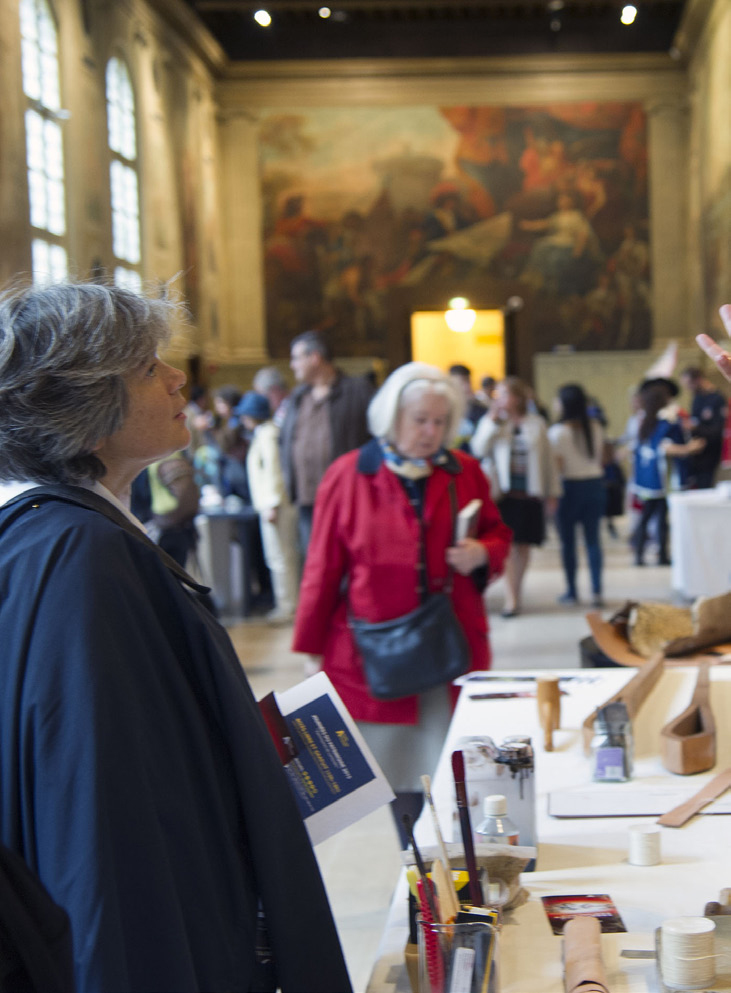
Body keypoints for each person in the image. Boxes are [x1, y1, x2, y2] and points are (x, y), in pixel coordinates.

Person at [0, 282, 351, 993]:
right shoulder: (78, 555)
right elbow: (96, 831)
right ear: (84, 407)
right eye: (146, 366)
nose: (176, 377)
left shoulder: (71, 536)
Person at [291, 362, 512, 844]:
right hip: (377, 651)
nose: (430, 432)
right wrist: (310, 650)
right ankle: (419, 877)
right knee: (399, 771)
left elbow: (497, 532)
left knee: (452, 761)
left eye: (439, 422)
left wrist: (482, 553)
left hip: (449, 643)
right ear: (392, 416)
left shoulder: (465, 471)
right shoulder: (347, 476)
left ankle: (457, 869)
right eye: (419, 420)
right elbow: (322, 570)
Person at [470, 377, 560, 617]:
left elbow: (547, 461)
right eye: (497, 395)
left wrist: (552, 493)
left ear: (518, 398)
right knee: (508, 546)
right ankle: (512, 599)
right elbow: (478, 449)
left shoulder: (537, 423)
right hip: (503, 494)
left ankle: (517, 591)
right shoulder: (493, 423)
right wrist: (491, 421)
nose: (500, 399)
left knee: (524, 545)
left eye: (505, 395)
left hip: (529, 492)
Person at [280, 329, 374, 557]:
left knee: (350, 559)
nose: (293, 365)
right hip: (307, 499)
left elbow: (377, 437)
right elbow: (285, 439)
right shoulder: (297, 397)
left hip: (348, 497)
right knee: (314, 559)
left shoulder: (358, 391)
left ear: (315, 358)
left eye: (296, 358)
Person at [238, 390, 299, 624]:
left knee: (280, 556)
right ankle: (287, 603)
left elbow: (274, 470)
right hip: (273, 505)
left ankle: (288, 606)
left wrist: (272, 503)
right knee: (280, 556)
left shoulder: (268, 435)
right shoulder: (266, 433)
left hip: (275, 507)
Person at [631, 381, 705, 566]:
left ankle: (643, 554)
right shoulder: (666, 421)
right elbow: (665, 447)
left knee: (649, 516)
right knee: (658, 516)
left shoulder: (646, 420)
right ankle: (659, 555)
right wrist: (689, 448)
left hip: (648, 477)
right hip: (661, 478)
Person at [548, 383, 606, 607]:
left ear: (564, 404)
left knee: (568, 543)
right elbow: (600, 458)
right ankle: (597, 591)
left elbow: (558, 467)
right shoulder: (596, 427)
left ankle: (572, 591)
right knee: (593, 541)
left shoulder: (558, 432)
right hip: (594, 486)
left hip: (569, 489)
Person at [679, 365, 727, 489]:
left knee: (705, 489)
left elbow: (717, 431)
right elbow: (695, 420)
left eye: (689, 384)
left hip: (710, 455)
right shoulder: (697, 397)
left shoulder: (717, 399)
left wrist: (696, 428)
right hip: (695, 454)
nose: (688, 388)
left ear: (698, 379)